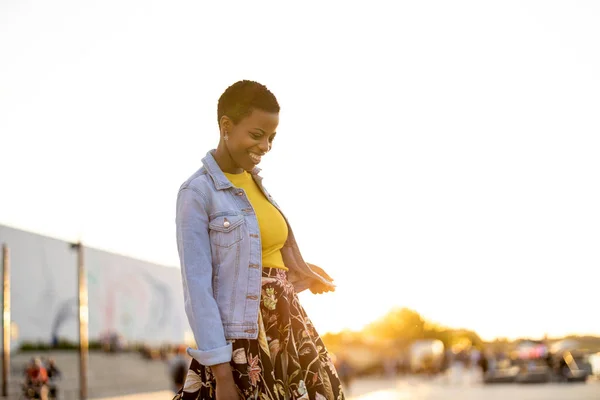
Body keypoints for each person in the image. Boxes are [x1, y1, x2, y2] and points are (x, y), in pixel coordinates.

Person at [174, 80, 344, 400]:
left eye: (271, 138)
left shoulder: (257, 185)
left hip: (288, 329)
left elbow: (263, 260)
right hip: (245, 341)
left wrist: (305, 272)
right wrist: (223, 375)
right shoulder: (197, 193)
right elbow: (198, 291)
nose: (265, 146)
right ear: (226, 126)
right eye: (257, 135)